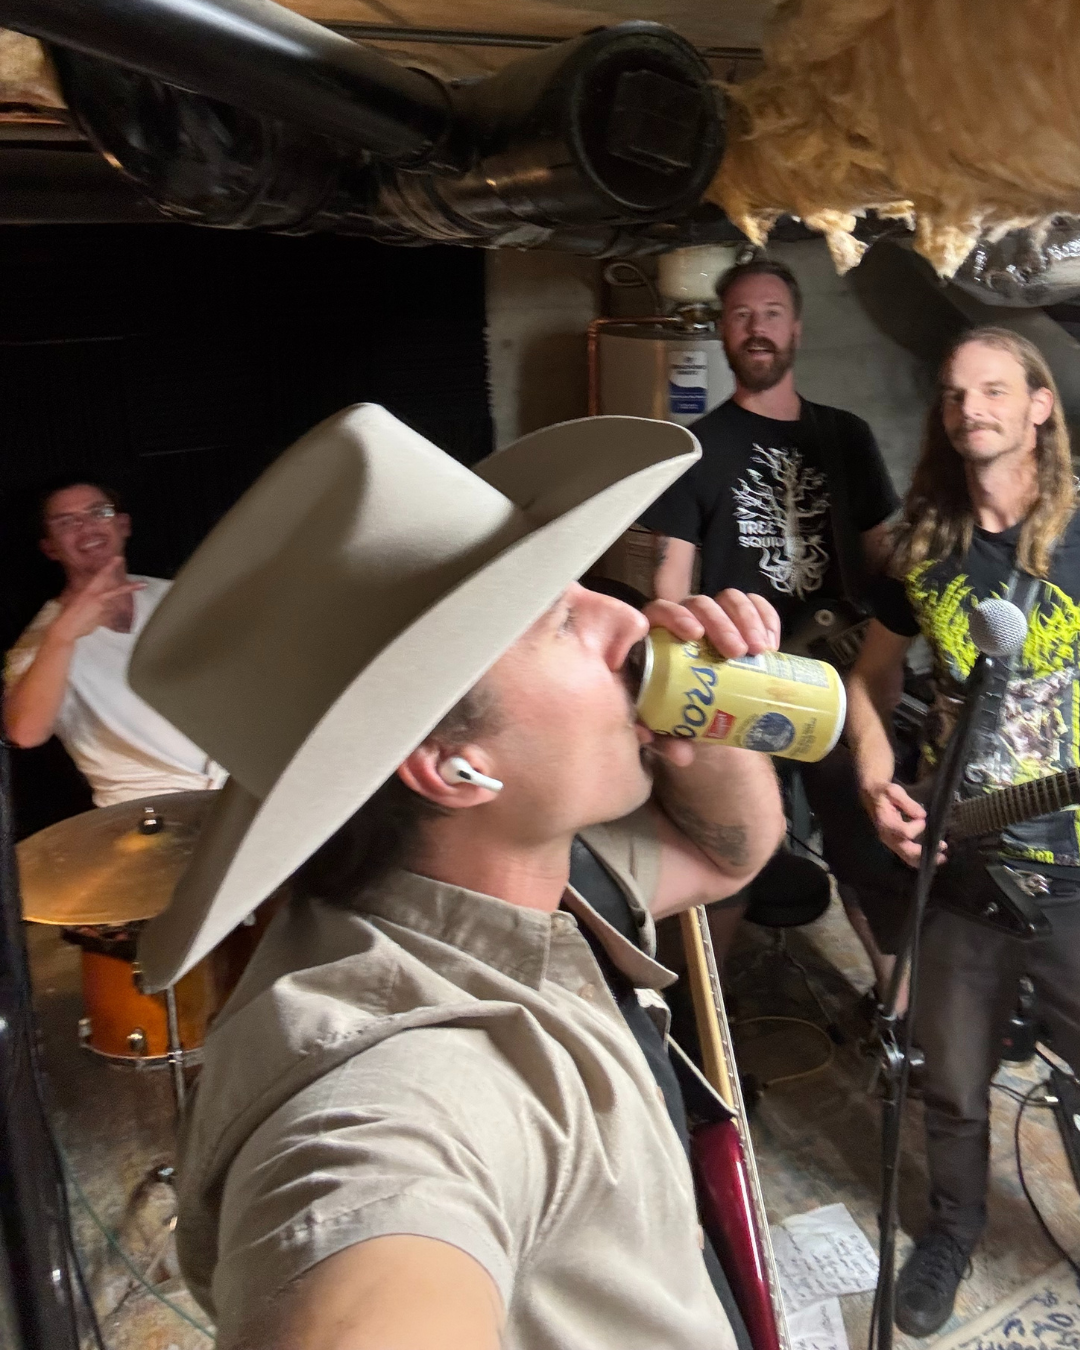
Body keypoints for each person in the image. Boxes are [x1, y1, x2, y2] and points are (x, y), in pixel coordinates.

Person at [127, 404, 787, 1350]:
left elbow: (731, 855)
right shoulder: (393, 1095)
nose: (626, 616)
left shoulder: (536, 861)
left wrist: (714, 718)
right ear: (451, 764)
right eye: (562, 619)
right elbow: (367, 1222)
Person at [846, 326, 1080, 1336]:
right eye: (954, 394)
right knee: (950, 1076)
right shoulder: (924, 550)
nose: (970, 408)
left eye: (994, 389)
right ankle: (952, 1229)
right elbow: (868, 679)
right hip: (961, 859)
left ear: (1039, 406)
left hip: (1075, 867)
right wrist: (875, 780)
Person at [638, 256, 902, 981]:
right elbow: (670, 587)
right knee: (730, 859)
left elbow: (886, 565)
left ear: (797, 329)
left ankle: (896, 1018)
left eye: (772, 314)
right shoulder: (695, 450)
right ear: (724, 331)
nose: (757, 329)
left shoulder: (845, 436)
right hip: (741, 682)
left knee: (867, 851)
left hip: (838, 683)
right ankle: (707, 1023)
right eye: (742, 315)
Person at [3, 480, 224, 806]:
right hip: (146, 809)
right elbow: (26, 733)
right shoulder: (41, 640)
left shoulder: (179, 598)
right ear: (50, 547)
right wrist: (62, 637)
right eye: (66, 522)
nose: (86, 527)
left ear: (123, 525)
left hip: (240, 788)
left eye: (99, 512)